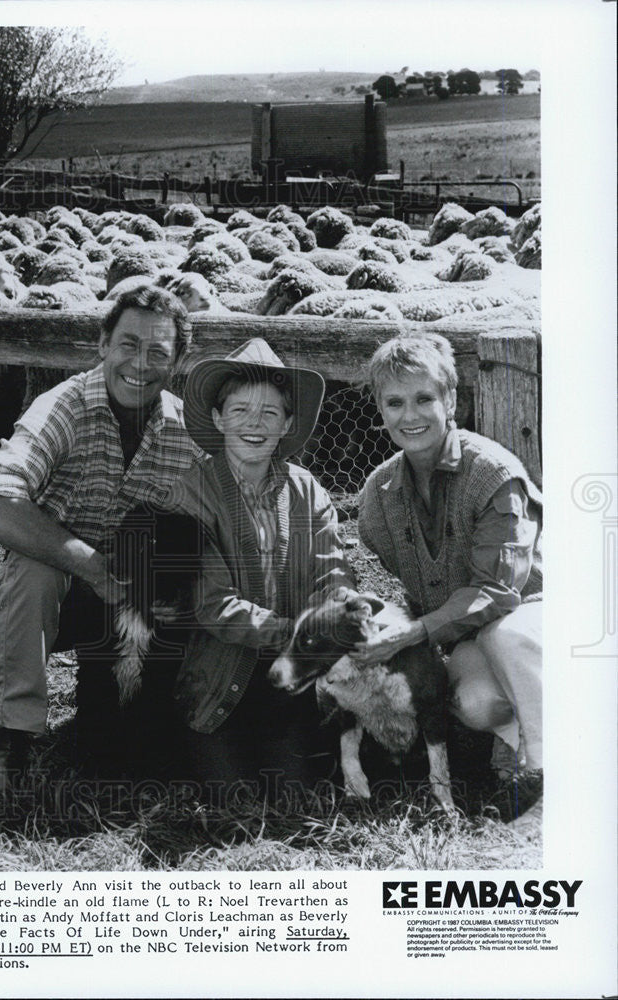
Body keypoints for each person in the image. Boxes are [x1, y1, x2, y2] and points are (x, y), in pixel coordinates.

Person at [0, 284, 201, 803]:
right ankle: (11, 740)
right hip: (64, 593)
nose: (140, 363)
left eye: (158, 351)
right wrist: (93, 568)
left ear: (179, 361)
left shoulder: (186, 431)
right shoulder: (63, 407)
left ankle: (168, 720)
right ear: (102, 345)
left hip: (136, 603)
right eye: (128, 345)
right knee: (33, 570)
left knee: (189, 558)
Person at [354, 333, 542, 818]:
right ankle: (522, 739)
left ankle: (546, 775)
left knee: (508, 638)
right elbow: (399, 576)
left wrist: (414, 632)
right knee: (473, 701)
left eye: (424, 398)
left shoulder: (493, 473)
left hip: (538, 617)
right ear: (380, 408)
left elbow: (499, 592)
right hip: (472, 634)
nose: (409, 415)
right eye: (395, 402)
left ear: (451, 400)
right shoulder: (378, 495)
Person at [164, 338, 358, 801]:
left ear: (287, 423)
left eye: (270, 413)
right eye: (240, 410)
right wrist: (296, 633)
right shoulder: (189, 495)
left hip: (292, 674)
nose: (255, 423)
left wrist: (337, 609)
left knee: (295, 792)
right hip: (218, 676)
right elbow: (211, 604)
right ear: (217, 418)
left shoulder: (307, 490)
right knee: (234, 799)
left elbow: (332, 572)